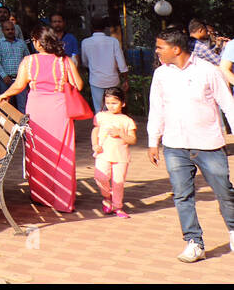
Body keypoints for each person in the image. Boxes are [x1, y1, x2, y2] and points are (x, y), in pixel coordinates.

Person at [147, 27, 234, 262]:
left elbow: (228, 105)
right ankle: (194, 242)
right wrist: (153, 141)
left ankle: (233, 230)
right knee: (182, 196)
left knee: (224, 192)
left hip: (209, 145)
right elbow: (157, 108)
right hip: (175, 145)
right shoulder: (161, 75)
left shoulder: (208, 71)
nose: (156, 52)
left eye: (160, 47)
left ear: (176, 49)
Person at [0, 24, 84, 212]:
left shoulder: (29, 61)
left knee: (38, 152)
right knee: (63, 152)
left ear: (38, 42)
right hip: (60, 110)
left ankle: (42, 195)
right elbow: (78, 84)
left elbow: (18, 86)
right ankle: (63, 200)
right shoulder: (65, 61)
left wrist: (3, 96)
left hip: (37, 110)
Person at [92, 86, 135, 218]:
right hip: (103, 153)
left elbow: (132, 139)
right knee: (100, 177)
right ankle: (106, 196)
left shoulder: (127, 120)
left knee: (118, 182)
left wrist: (121, 134)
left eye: (114, 103)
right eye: (108, 103)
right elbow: (95, 131)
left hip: (121, 156)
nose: (111, 106)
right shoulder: (100, 116)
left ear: (122, 103)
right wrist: (95, 145)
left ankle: (118, 206)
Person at [80, 15, 129, 113]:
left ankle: (101, 127)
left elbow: (85, 62)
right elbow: (122, 64)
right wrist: (125, 80)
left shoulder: (85, 42)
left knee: (99, 109)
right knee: (114, 108)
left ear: (91, 27)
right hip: (113, 81)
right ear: (104, 27)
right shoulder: (113, 41)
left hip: (96, 81)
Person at [0, 18, 30, 113]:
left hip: (21, 79)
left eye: (12, 29)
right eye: (7, 29)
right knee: (6, 106)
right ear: (3, 31)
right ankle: (7, 126)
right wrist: (4, 76)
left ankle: (23, 126)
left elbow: (28, 59)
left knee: (22, 106)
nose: (10, 31)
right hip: (5, 80)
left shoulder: (21, 43)